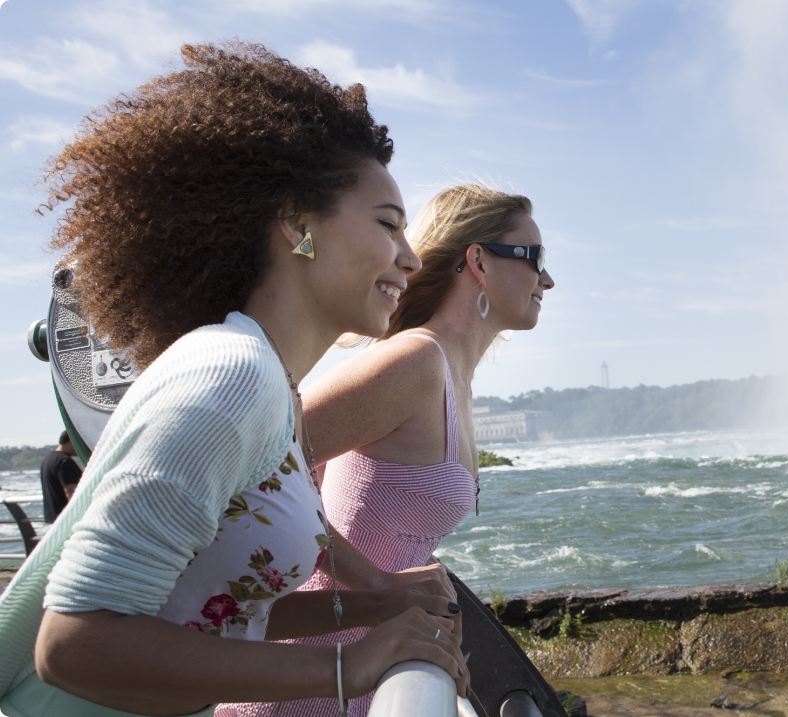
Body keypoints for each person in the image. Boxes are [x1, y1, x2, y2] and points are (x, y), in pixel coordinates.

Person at [0, 41, 468, 717]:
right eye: (387, 223)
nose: (411, 254)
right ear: (297, 223)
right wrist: (348, 662)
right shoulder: (229, 380)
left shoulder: (269, 390)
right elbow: (72, 643)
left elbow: (205, 615)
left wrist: (378, 602)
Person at [239, 184, 555, 717]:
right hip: (317, 666)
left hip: (374, 657)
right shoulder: (413, 365)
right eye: (535, 258)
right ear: (478, 261)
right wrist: (377, 583)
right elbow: (248, 462)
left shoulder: (454, 377)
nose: (547, 279)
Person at [39, 432, 82, 524]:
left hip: (53, 517)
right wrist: (79, 516)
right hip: (66, 519)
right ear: (70, 441)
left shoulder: (48, 459)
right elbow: (70, 491)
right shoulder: (65, 461)